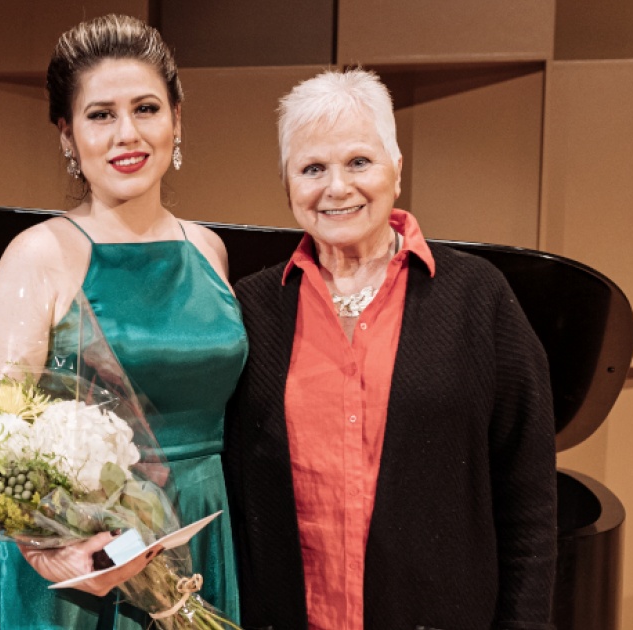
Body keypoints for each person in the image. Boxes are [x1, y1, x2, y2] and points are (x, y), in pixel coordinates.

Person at [225, 68, 557, 629]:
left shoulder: (479, 298)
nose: (337, 187)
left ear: (396, 170)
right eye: (312, 169)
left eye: (359, 161)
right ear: (287, 186)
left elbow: (529, 504)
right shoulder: (251, 309)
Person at [0, 14, 246, 630]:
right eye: (101, 115)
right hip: (86, 561)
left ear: (177, 118)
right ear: (67, 135)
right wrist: (51, 548)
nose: (128, 133)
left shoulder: (208, 250)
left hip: (203, 527)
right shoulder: (37, 255)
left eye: (146, 108)